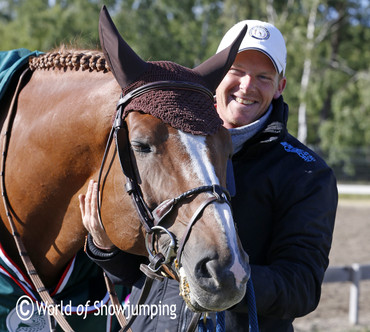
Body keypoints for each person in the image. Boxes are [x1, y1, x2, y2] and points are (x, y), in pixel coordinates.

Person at [80, 20, 338, 331]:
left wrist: (222, 278)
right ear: (217, 76)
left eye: (263, 77)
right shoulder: (168, 145)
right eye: (238, 71)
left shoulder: (307, 172)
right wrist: (105, 247)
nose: (246, 85)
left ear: (280, 87)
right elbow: (139, 273)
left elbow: (302, 288)